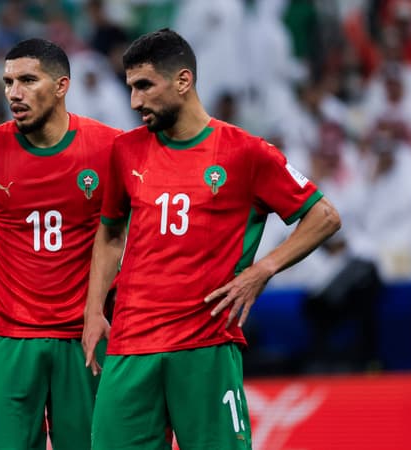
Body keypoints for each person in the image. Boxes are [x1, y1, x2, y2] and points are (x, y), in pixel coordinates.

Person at [82, 28, 341, 450]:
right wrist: (94, 312)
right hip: (130, 344)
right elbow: (110, 233)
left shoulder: (246, 152)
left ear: (183, 81)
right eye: (130, 88)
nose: (135, 101)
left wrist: (262, 270)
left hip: (204, 343)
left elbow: (324, 216)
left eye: (144, 86)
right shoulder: (125, 150)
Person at [0, 38, 120, 450]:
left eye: (28, 80)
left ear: (61, 85)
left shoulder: (110, 148)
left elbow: (127, 233)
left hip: (84, 336)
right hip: (5, 337)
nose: (14, 92)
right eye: (8, 81)